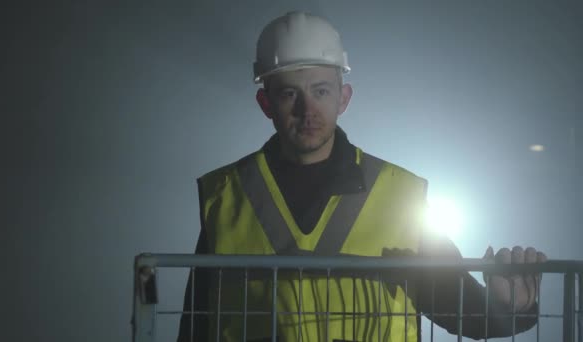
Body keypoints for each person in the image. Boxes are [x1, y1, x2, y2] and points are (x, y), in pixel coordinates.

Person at [177, 11, 547, 342]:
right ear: (266, 103)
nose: (308, 110)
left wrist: (511, 306)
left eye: (321, 91)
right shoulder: (226, 196)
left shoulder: (399, 197)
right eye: (291, 93)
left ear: (343, 98)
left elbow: (462, 310)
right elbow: (195, 325)